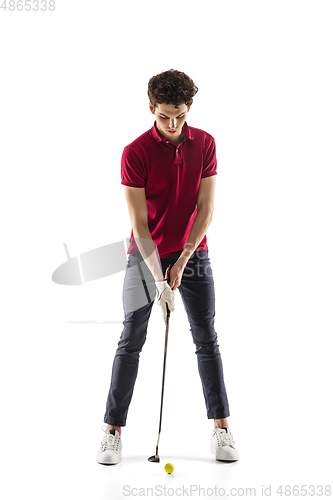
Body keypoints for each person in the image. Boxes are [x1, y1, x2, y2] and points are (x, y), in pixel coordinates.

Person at [96, 69, 239, 465]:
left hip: (193, 253)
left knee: (206, 337)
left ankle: (222, 428)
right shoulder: (135, 152)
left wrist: (184, 260)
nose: (173, 124)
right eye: (164, 116)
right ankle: (112, 431)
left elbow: (206, 209)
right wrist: (160, 279)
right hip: (144, 257)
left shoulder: (205, 144)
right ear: (151, 108)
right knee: (131, 339)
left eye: (179, 114)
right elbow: (140, 225)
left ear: (188, 107)